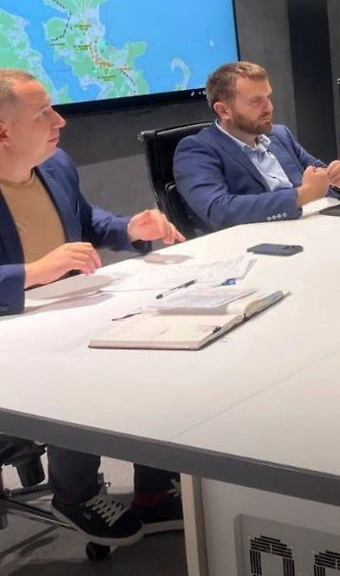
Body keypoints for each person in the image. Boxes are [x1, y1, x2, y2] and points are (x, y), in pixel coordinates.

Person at [0, 69, 185, 547]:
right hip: (12, 334)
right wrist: (31, 272)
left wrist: (129, 229)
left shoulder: (55, 165)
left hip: (65, 311)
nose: (60, 121)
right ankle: (75, 494)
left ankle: (154, 490)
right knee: (77, 374)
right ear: (4, 132)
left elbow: (84, 221)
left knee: (155, 349)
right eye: (43, 114)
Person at [174, 62, 340, 232]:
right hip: (255, 243)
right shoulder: (197, 150)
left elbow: (321, 182)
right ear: (224, 110)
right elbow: (219, 210)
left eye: (268, 98)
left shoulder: (280, 135)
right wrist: (302, 195)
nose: (269, 108)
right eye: (256, 101)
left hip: (307, 228)